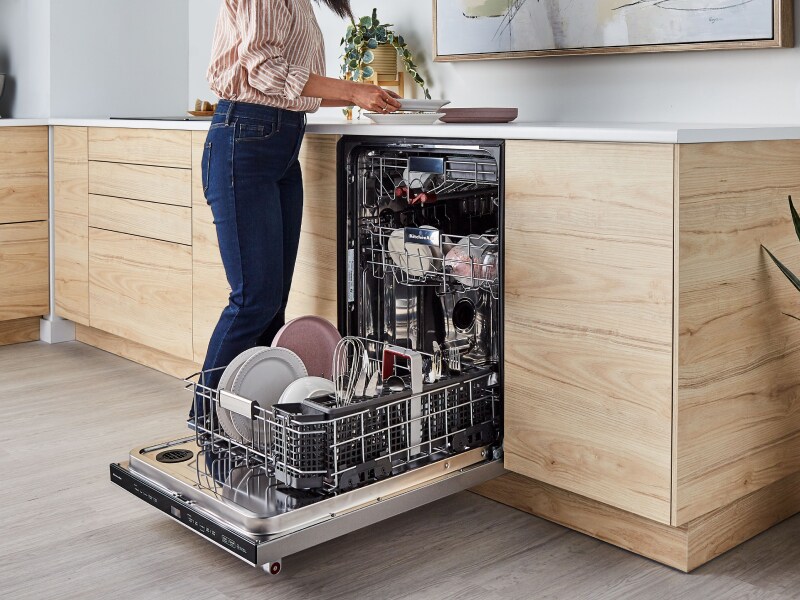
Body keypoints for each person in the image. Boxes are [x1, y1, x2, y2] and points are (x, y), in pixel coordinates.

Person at [195, 0, 401, 414]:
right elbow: (262, 69)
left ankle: (257, 424)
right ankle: (207, 423)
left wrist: (359, 96)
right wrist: (352, 89)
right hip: (246, 139)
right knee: (253, 300)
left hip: (280, 143)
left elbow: (291, 87)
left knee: (272, 303)